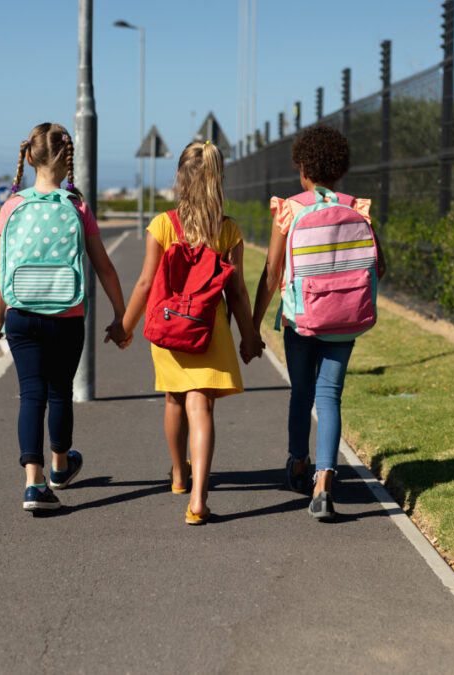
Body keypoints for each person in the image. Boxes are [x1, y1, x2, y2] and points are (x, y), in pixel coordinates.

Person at [118, 141, 264, 525]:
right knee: (202, 406)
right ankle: (199, 499)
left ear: (180, 179)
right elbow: (237, 293)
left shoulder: (164, 225)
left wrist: (125, 327)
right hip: (208, 329)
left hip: (169, 328)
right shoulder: (228, 231)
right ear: (218, 181)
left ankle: (179, 475)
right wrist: (249, 338)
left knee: (173, 400)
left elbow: (146, 283)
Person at [0, 122, 128, 512]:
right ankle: (60, 467)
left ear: (29, 157)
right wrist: (121, 315)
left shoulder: (12, 206)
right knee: (60, 391)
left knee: (30, 394)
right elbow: (104, 267)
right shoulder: (76, 206)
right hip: (67, 314)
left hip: (20, 313)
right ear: (69, 161)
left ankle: (33, 485)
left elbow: (0, 270)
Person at [251, 125, 386, 521]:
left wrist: (253, 324)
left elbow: (273, 270)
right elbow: (378, 264)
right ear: (339, 168)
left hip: (301, 318)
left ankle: (297, 463)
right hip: (345, 319)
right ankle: (324, 482)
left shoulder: (290, 209)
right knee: (330, 397)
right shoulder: (356, 207)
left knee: (302, 393)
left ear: (304, 168)